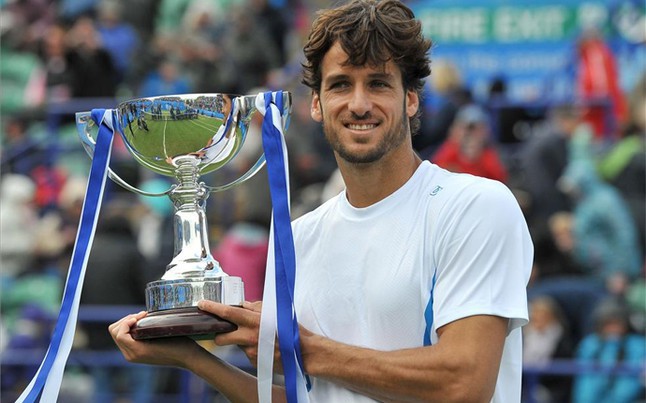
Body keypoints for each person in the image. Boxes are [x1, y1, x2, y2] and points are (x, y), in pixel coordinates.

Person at [109, 1, 533, 402]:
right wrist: (192, 359)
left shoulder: (475, 207)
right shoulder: (297, 238)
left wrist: (302, 348)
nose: (359, 103)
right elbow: (312, 395)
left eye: (379, 83)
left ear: (410, 98)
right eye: (341, 85)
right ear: (316, 103)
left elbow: (465, 381)